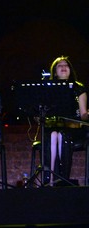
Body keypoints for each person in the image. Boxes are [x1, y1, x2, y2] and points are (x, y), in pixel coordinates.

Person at [45, 56, 88, 185]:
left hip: (73, 129)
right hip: (53, 128)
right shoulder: (49, 89)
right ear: (54, 72)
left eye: (66, 65)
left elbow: (83, 114)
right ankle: (51, 179)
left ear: (70, 70)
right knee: (53, 134)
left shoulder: (79, 88)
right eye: (60, 66)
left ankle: (63, 178)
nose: (64, 67)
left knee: (63, 135)